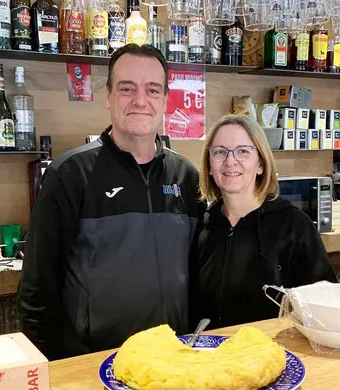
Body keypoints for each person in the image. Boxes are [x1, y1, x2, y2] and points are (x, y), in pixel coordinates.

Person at [18, 44, 203, 360]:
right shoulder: (70, 175)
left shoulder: (186, 176)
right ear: (109, 97)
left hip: (174, 360)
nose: (140, 100)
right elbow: (37, 292)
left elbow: (199, 275)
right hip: (95, 365)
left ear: (164, 101)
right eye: (127, 88)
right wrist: (58, 372)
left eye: (152, 90)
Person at [192, 115, 336, 329]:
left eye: (243, 151)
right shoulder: (202, 224)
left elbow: (324, 309)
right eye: (220, 152)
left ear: (260, 164)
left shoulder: (294, 226)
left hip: (274, 356)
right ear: (209, 165)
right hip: (210, 355)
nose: (230, 161)